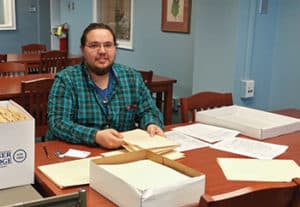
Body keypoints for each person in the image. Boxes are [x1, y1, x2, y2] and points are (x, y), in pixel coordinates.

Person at [45, 23, 164, 149]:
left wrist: (151, 124)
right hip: (77, 155)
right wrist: (95, 136)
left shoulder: (132, 77)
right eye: (94, 45)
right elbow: (58, 123)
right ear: (83, 50)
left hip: (122, 153)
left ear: (115, 48)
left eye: (108, 45)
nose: (102, 51)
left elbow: (148, 110)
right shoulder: (66, 80)